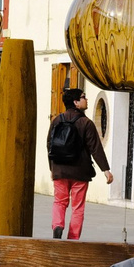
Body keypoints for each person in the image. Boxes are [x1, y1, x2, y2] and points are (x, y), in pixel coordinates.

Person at [44, 87, 108, 240]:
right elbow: (95, 147)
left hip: (60, 169)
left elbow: (49, 145)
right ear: (76, 102)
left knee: (59, 201)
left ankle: (58, 225)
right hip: (80, 172)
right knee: (78, 207)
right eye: (83, 97)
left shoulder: (57, 120)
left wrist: (52, 168)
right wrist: (106, 170)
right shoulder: (86, 123)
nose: (87, 100)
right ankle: (73, 239)